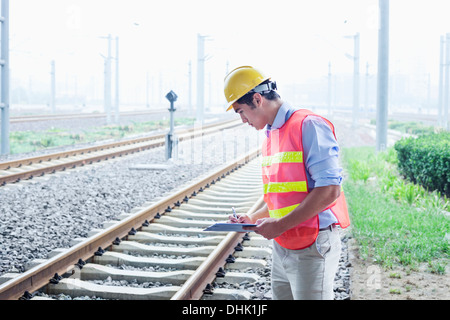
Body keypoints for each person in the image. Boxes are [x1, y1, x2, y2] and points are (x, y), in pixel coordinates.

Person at [223, 66, 350, 300]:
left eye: (241, 111)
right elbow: (283, 197)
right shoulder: (272, 136)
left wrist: (280, 224)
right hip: (284, 245)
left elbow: (330, 190)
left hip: (313, 244)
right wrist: (252, 218)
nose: (242, 120)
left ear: (257, 99)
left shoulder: (308, 125)